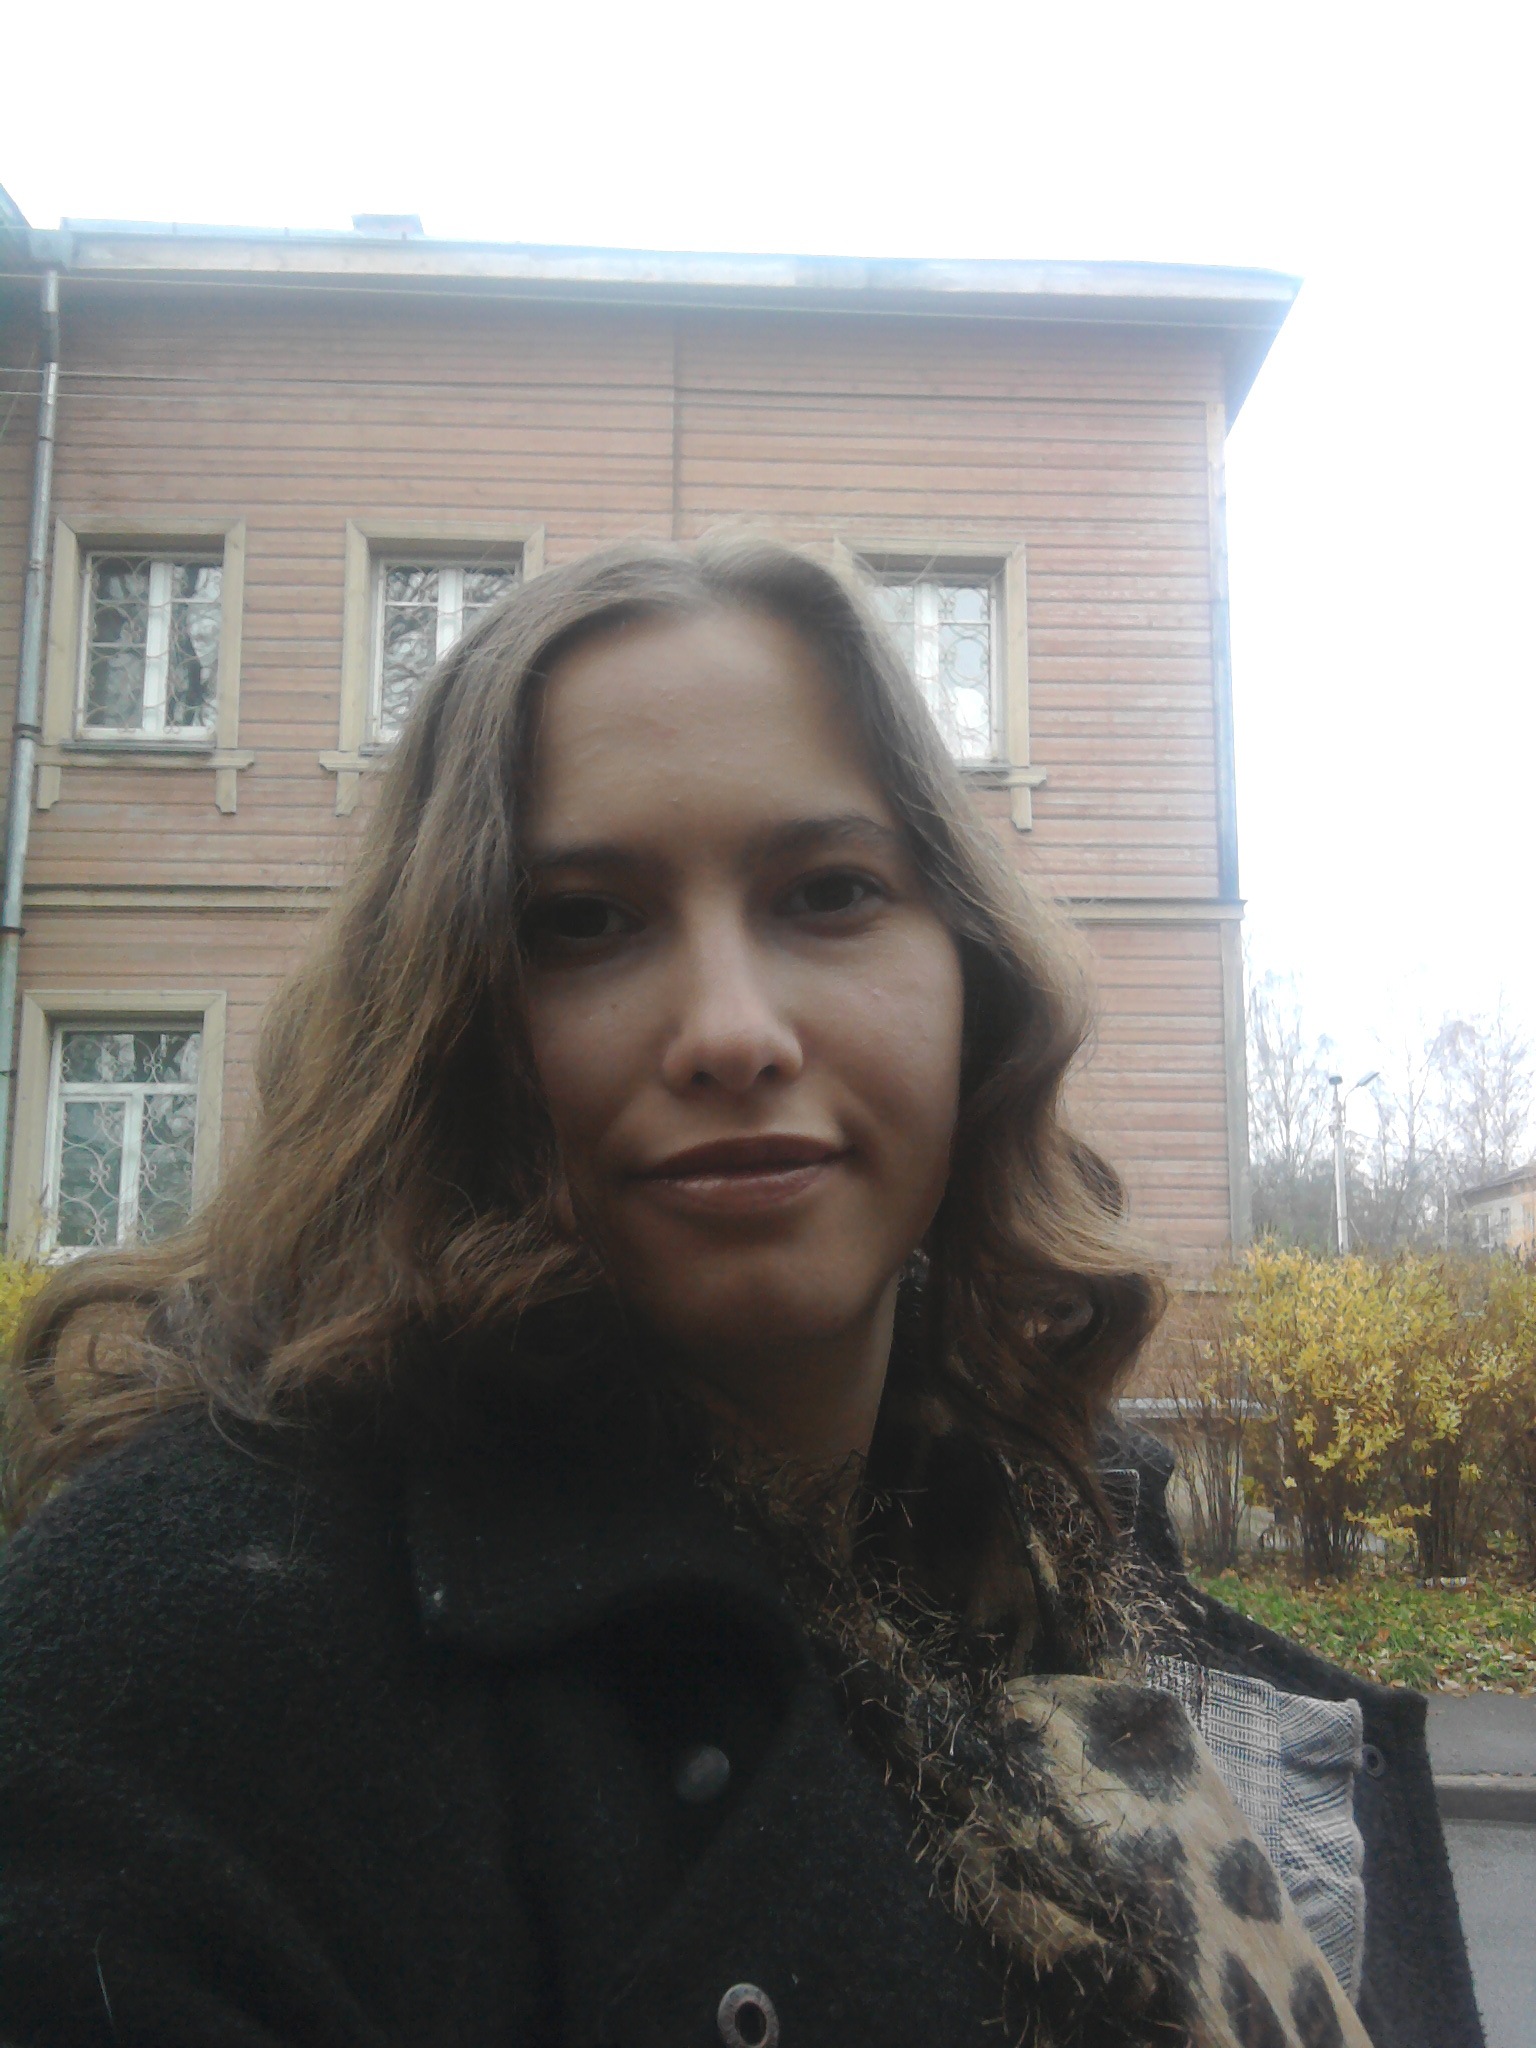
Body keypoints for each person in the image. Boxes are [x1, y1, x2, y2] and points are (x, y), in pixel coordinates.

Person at [0, 541, 1479, 2048]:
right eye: (583, 920)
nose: (731, 1031)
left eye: (830, 892)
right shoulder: (166, 1684)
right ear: (436, 1014)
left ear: (973, 983)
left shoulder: (1096, 1577)